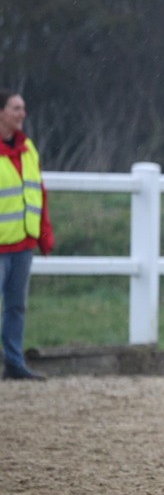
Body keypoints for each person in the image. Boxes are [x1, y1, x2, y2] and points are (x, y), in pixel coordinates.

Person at [0, 90, 53, 380]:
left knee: (16, 306)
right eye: (16, 108)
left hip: (21, 243)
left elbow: (37, 192)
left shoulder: (28, 148)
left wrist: (43, 233)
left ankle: (14, 363)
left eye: (23, 108)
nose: (22, 114)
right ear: (1, 113)